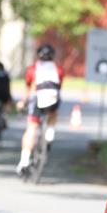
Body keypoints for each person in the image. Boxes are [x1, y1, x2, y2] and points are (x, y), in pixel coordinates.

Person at [16, 43, 64, 174]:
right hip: (54, 99)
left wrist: (22, 103)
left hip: (38, 100)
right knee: (54, 112)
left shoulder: (32, 69)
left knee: (31, 127)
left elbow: (28, 90)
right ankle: (50, 133)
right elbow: (59, 87)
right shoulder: (58, 69)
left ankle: (24, 160)